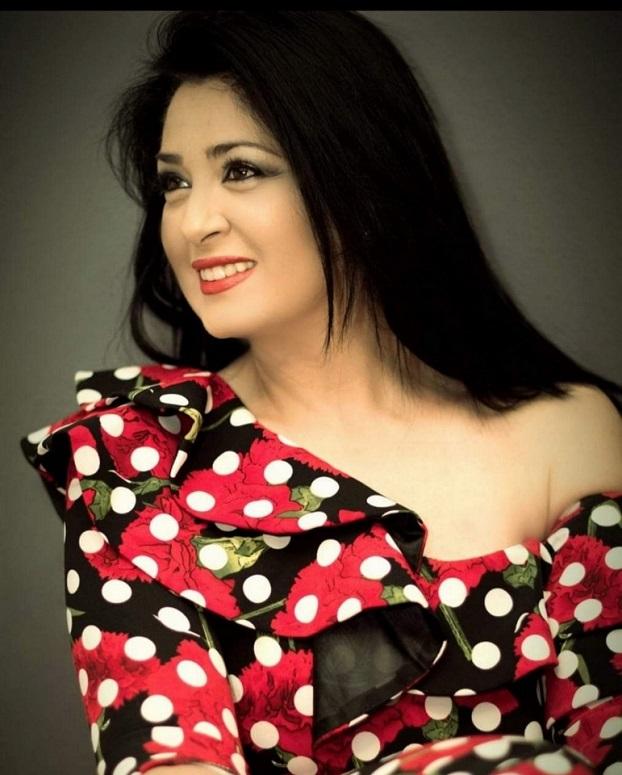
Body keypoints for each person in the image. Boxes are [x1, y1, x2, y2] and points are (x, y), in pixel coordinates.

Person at [19, 10, 622, 775]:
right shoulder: (135, 461)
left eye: (241, 169)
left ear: (361, 177)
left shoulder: (567, 434)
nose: (193, 222)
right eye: (174, 182)